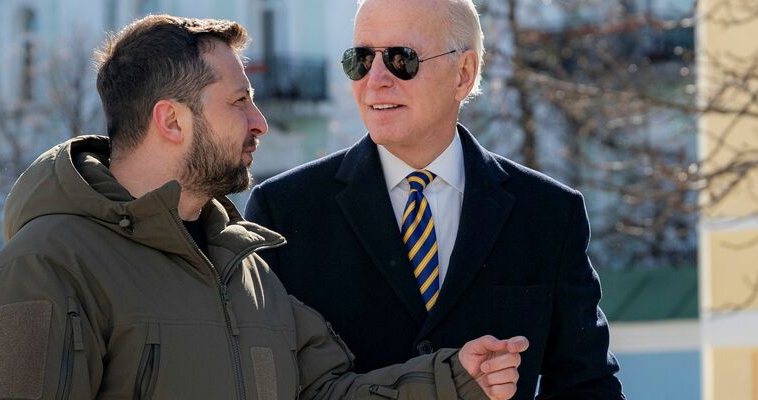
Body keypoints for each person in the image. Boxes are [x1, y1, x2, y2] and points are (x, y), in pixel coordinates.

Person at [0, 14, 528, 400]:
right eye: (239, 101)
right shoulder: (45, 266)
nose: (259, 122)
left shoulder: (245, 269)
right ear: (172, 120)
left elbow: (323, 393)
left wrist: (454, 379)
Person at [244, 0, 625, 398]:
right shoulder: (284, 210)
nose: (375, 79)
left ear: (463, 73)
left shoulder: (547, 212)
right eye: (360, 59)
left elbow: (587, 383)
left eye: (400, 59)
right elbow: (271, 385)